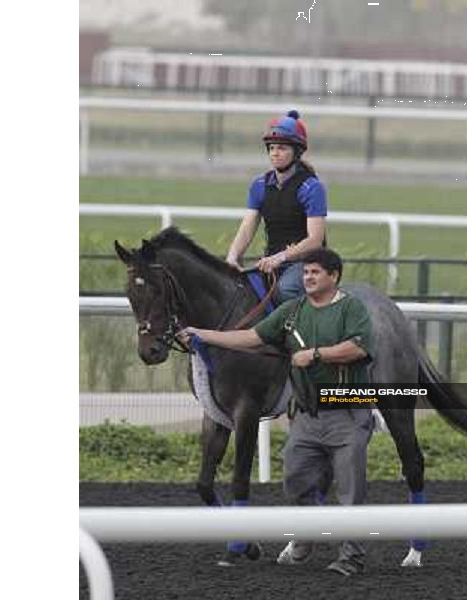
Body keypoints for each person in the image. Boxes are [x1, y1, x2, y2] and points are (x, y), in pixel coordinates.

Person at [181, 248, 377, 577]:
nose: (309, 277)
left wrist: (315, 355)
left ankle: (350, 556)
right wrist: (203, 334)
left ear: (334, 276)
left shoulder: (352, 309)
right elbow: (250, 337)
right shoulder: (291, 311)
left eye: (315, 272)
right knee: (295, 481)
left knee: (349, 490)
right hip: (306, 416)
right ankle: (311, 532)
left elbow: (358, 346)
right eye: (306, 273)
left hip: (347, 413)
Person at [225, 109, 328, 303]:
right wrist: (232, 258)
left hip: (307, 264)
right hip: (271, 262)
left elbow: (315, 239)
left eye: (282, 148)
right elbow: (247, 229)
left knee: (285, 290)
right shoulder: (259, 186)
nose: (275, 153)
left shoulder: (312, 188)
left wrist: (280, 258)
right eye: (271, 148)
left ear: (297, 152)